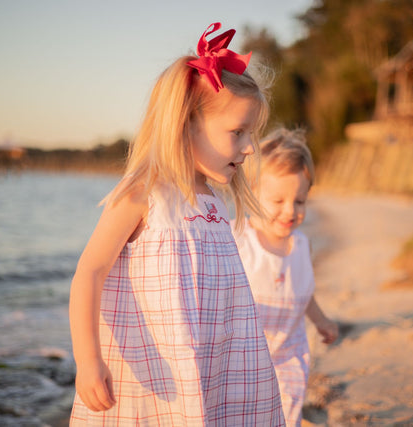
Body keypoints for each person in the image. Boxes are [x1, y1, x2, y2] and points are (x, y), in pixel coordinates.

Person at [68, 22, 285, 426]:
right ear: (186, 123)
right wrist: (88, 358)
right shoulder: (143, 193)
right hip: (156, 377)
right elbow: (90, 272)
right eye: (237, 132)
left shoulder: (215, 203)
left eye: (251, 133)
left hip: (219, 371)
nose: (250, 147)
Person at [234, 128, 339, 426]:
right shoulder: (238, 240)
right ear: (250, 193)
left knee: (286, 414)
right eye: (277, 201)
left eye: (300, 201)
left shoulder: (302, 245)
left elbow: (302, 292)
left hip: (289, 354)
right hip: (244, 355)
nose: (290, 211)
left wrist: (322, 322)